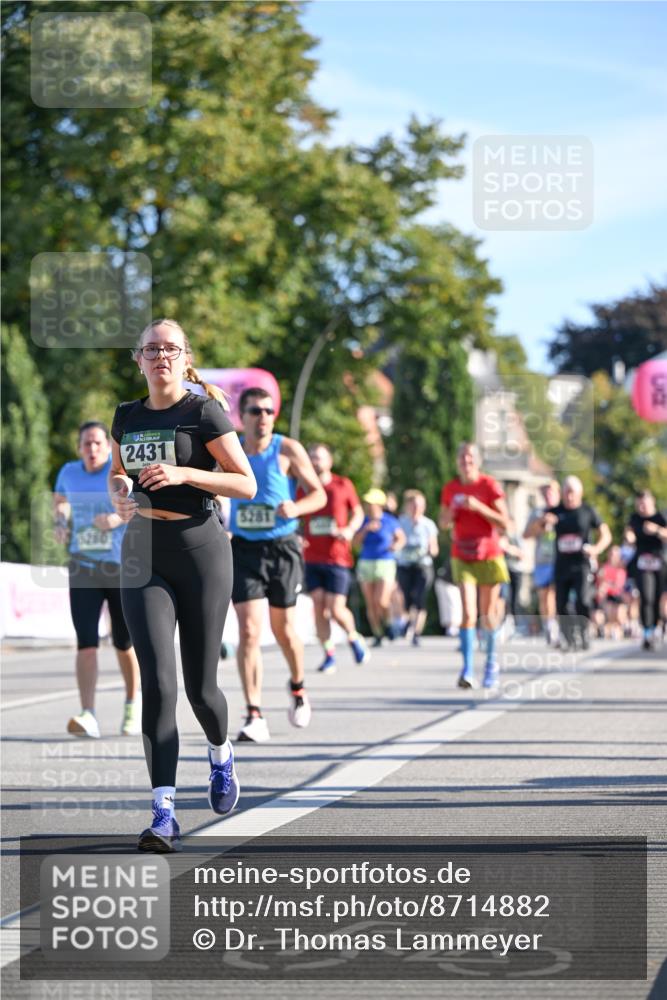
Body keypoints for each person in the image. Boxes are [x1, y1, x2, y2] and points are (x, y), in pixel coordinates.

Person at [109, 318, 256, 852]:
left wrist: (185, 475)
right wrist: (121, 491)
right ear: (139, 359)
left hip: (202, 552)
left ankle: (220, 754)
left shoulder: (203, 411)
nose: (161, 356)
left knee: (200, 689)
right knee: (160, 684)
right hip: (143, 552)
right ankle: (164, 813)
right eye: (152, 349)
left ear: (183, 356)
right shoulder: (126, 415)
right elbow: (117, 473)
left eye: (170, 348)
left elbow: (245, 482)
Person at [229, 388, 326, 743]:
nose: (264, 416)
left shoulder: (287, 449)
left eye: (269, 410)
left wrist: (296, 508)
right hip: (244, 549)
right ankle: (254, 713)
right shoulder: (231, 448)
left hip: (282, 546)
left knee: (284, 630)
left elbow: (319, 493)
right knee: (250, 631)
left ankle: (298, 686)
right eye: (256, 410)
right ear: (243, 416)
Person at [54, 421, 141, 739]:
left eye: (97, 443)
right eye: (86, 444)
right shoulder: (68, 472)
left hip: (121, 567)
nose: (91, 449)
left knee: (123, 642)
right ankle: (88, 712)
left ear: (107, 446)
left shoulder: (119, 472)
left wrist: (115, 518)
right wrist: (60, 522)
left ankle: (133, 705)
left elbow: (138, 506)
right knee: (86, 643)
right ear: (79, 448)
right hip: (84, 566)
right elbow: (60, 502)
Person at [439, 443, 510, 689]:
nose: (465, 461)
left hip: (489, 554)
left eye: (470, 457)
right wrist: (453, 511)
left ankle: (491, 664)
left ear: (477, 461)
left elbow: (505, 523)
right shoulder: (451, 488)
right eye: (461, 457)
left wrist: (478, 507)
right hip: (463, 554)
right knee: (468, 613)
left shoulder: (489, 486)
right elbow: (443, 523)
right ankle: (467, 669)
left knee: (487, 614)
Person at [300, 443, 368, 674]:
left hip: (337, 557)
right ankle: (329, 654)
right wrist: (297, 537)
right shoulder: (304, 487)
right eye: (311, 458)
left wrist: (349, 529)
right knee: (319, 607)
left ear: (329, 461)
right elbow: (296, 515)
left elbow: (358, 513)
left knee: (336, 608)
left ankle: (353, 637)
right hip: (312, 555)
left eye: (319, 457)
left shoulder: (342, 485)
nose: (315, 461)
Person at [540, 475, 611, 650]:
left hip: (582, 564)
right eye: (566, 492)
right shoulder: (555, 511)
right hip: (562, 564)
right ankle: (569, 637)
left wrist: (596, 549)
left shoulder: (588, 511)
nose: (569, 496)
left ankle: (584, 631)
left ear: (580, 493)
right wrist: (543, 522)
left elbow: (606, 535)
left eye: (572, 492)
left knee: (582, 600)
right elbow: (530, 531)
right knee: (561, 603)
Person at [354, 489, 405, 647]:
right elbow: (355, 543)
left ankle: (389, 623)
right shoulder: (363, 521)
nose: (369, 507)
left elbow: (401, 538)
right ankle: (377, 633)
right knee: (370, 603)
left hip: (385, 562)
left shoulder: (389, 521)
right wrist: (366, 529)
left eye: (372, 504)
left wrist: (395, 546)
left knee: (381, 600)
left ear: (379, 505)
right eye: (367, 504)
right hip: (366, 562)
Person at [624, 490, 667, 650]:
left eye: (644, 503)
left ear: (652, 502)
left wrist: (657, 530)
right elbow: (628, 531)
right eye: (639, 504)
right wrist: (629, 536)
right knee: (646, 596)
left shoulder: (661, 517)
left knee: (657, 598)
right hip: (642, 563)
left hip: (659, 562)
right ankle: (647, 631)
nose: (642, 507)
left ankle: (656, 628)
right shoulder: (635, 519)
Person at [396, 490, 439, 646]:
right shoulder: (400, 522)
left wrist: (429, 550)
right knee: (406, 598)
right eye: (413, 505)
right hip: (405, 565)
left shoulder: (428, 524)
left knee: (419, 598)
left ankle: (416, 632)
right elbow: (395, 541)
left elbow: (434, 548)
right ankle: (407, 623)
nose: (416, 508)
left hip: (423, 565)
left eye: (419, 505)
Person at [523, 480, 561, 644]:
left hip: (559, 560)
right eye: (545, 492)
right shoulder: (537, 512)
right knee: (544, 597)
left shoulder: (562, 510)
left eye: (551, 491)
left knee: (554, 594)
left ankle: (556, 626)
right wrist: (540, 523)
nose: (548, 495)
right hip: (541, 561)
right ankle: (548, 624)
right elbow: (526, 534)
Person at [596, 546, 628, 640]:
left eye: (616, 555)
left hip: (618, 596)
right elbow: (601, 584)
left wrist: (608, 585)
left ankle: (621, 627)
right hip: (608, 596)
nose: (613, 557)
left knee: (619, 612)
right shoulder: (604, 568)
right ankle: (608, 627)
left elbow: (618, 586)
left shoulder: (621, 569)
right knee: (608, 608)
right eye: (612, 555)